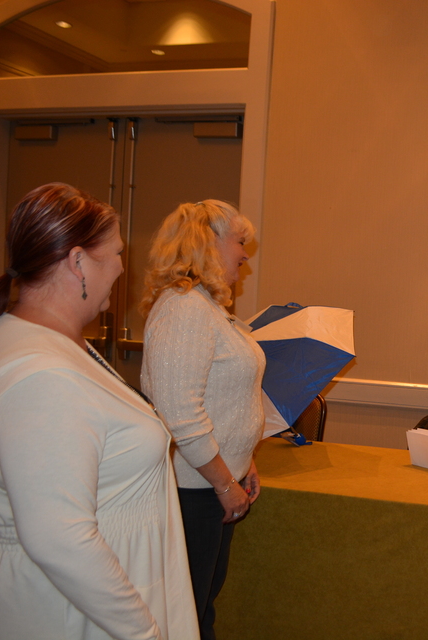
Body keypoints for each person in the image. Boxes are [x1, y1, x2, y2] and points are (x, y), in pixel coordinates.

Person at [0, 183, 198, 640]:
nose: (123, 266)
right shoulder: (44, 377)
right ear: (78, 262)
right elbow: (58, 538)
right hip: (78, 615)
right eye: (117, 252)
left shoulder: (53, 341)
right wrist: (144, 632)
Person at [140, 200, 265, 640]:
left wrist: (244, 461)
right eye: (240, 241)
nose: (245, 254)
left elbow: (224, 399)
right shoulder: (184, 307)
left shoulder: (206, 306)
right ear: (208, 242)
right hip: (192, 491)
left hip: (209, 484)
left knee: (200, 607)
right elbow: (180, 414)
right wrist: (225, 483)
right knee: (185, 618)